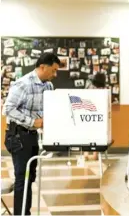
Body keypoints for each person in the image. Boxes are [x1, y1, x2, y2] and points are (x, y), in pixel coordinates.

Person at [3, 52, 60, 215]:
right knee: (22, 178)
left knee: (30, 177)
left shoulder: (48, 86)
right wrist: (32, 122)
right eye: (53, 70)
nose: (55, 75)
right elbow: (7, 109)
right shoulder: (23, 84)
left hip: (32, 136)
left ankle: (25, 212)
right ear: (43, 67)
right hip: (18, 136)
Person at [84, 72, 107, 160]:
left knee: (87, 134)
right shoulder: (104, 89)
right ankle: (95, 154)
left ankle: (86, 154)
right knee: (97, 135)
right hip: (99, 115)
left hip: (88, 113)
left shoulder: (90, 87)